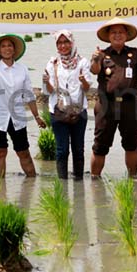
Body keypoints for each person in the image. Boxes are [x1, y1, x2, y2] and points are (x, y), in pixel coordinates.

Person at [90, 17, 137, 178]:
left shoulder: (135, 53)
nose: (117, 35)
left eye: (121, 32)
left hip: (129, 105)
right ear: (109, 36)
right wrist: (95, 59)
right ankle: (95, 179)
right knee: (100, 145)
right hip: (106, 105)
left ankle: (133, 178)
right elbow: (94, 70)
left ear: (126, 35)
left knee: (131, 145)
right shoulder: (102, 54)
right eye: (114, 32)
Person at [0, 34, 47, 178]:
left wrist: (37, 117)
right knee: (0, 152)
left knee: (23, 151)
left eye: (10, 46)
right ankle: (0, 190)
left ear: (14, 50)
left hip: (17, 116)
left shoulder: (22, 69)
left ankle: (31, 183)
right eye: (3, 46)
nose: (7, 48)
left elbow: (29, 95)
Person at [42, 30, 92, 180]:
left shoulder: (82, 62)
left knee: (78, 150)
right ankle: (62, 183)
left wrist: (83, 80)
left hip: (79, 111)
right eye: (60, 43)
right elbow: (49, 91)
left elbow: (87, 88)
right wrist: (46, 82)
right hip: (58, 112)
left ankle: (79, 182)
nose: (63, 46)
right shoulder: (53, 63)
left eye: (66, 42)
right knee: (62, 150)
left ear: (72, 43)